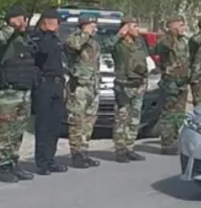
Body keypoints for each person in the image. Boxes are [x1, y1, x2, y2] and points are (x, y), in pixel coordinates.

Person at [0, 5, 36, 183]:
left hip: (23, 92)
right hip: (7, 93)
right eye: (23, 19)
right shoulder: (3, 37)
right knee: (5, 132)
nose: (26, 23)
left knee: (17, 131)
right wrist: (12, 25)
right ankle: (4, 166)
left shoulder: (23, 39)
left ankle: (14, 161)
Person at [104, 17, 148, 163]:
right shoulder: (118, 44)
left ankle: (130, 148)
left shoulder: (140, 42)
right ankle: (120, 150)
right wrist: (119, 34)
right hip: (124, 85)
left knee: (135, 119)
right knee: (121, 119)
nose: (138, 29)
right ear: (126, 28)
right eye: (134, 26)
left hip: (139, 84)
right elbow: (106, 46)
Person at [30, 8, 68, 175]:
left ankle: (51, 159)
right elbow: (42, 53)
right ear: (45, 22)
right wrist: (46, 32)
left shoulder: (55, 39)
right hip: (44, 85)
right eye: (55, 22)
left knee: (55, 125)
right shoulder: (36, 37)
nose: (57, 26)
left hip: (58, 84)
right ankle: (42, 161)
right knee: (44, 125)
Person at [64, 14, 101, 169]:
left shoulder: (93, 43)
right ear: (85, 25)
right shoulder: (73, 39)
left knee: (89, 121)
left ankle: (84, 151)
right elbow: (75, 46)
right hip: (78, 87)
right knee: (77, 121)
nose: (96, 29)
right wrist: (85, 33)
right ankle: (76, 153)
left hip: (92, 86)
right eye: (93, 26)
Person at [155, 15, 190, 155]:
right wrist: (172, 33)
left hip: (182, 82)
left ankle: (176, 139)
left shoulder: (184, 41)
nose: (183, 28)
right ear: (173, 26)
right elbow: (162, 48)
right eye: (180, 25)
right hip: (170, 82)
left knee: (179, 114)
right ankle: (167, 142)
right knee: (169, 113)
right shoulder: (165, 39)